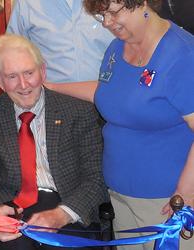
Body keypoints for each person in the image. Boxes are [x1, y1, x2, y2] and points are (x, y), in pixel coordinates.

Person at [45, 0, 194, 249]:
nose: (106, 23)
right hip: (119, 196)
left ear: (142, 3)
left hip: (166, 202)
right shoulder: (117, 48)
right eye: (101, 16)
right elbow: (110, 92)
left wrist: (186, 191)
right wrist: (50, 88)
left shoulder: (183, 55)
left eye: (112, 13)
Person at [0, 33, 108, 250]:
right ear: (0, 81)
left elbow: (96, 177)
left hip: (67, 203)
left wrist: (63, 214)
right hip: (8, 203)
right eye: (11, 76)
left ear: (42, 71)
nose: (23, 84)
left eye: (29, 73)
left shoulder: (79, 112)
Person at [6, 0, 114, 83]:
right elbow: (10, 55)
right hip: (53, 101)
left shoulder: (112, 2)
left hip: (109, 96)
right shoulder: (27, 3)